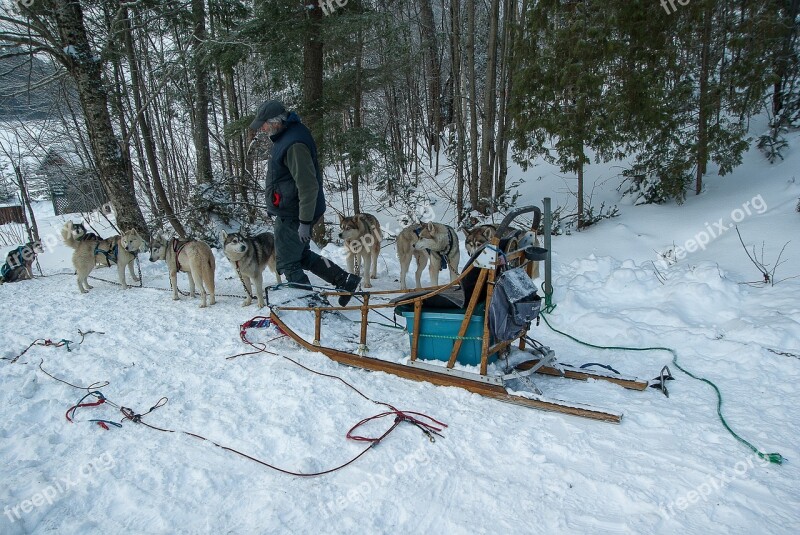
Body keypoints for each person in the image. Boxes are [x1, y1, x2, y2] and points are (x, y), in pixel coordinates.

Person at [250, 100, 360, 306]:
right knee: (301, 255)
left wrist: (305, 221)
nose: (262, 128)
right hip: (292, 210)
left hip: (295, 214)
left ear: (275, 122)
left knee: (288, 262)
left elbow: (308, 186)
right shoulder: (288, 136)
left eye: (263, 124)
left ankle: (313, 307)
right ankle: (344, 279)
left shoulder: (294, 144)